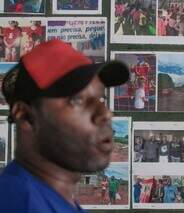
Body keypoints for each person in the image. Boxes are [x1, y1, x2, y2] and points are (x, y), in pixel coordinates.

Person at [0, 39, 129, 212]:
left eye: (100, 99)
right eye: (77, 100)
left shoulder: (48, 199)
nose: (105, 113)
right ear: (25, 117)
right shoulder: (22, 204)